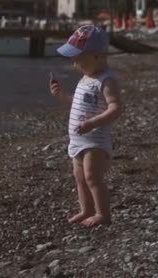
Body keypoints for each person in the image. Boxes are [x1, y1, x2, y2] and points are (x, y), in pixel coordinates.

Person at [49, 25, 124, 227]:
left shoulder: (106, 81)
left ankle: (103, 214)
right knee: (80, 177)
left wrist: (92, 123)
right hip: (78, 140)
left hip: (95, 140)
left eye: (79, 59)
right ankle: (86, 209)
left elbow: (116, 108)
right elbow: (78, 103)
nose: (75, 64)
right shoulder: (86, 78)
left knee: (92, 176)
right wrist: (62, 96)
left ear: (98, 56)